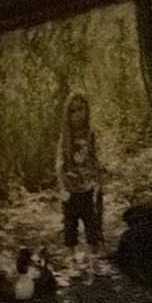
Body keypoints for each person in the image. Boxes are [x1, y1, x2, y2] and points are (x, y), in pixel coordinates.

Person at [56, 92, 104, 252]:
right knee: (70, 223)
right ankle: (72, 257)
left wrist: (99, 175)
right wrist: (63, 180)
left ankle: (93, 256)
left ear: (86, 110)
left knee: (92, 221)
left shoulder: (90, 134)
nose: (77, 115)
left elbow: (94, 157)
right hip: (70, 188)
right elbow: (59, 161)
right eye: (72, 111)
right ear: (67, 114)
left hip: (88, 187)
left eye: (80, 109)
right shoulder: (65, 136)